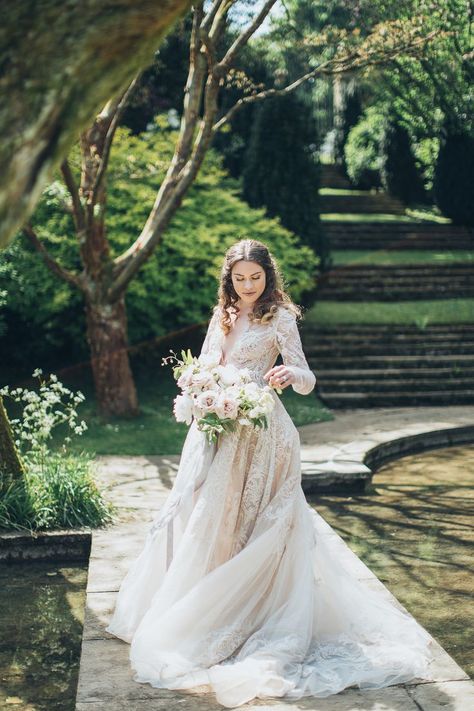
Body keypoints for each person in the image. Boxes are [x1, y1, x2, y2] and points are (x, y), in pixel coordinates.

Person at [106, 239, 435, 708]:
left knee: (258, 522)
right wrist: (199, 386)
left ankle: (257, 613)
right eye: (239, 279)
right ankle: (208, 607)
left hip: (263, 434)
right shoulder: (220, 315)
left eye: (254, 278)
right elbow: (204, 364)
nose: (247, 287)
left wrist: (287, 376)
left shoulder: (280, 316)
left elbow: (305, 375)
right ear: (229, 279)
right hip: (217, 428)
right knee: (209, 518)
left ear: (268, 276)